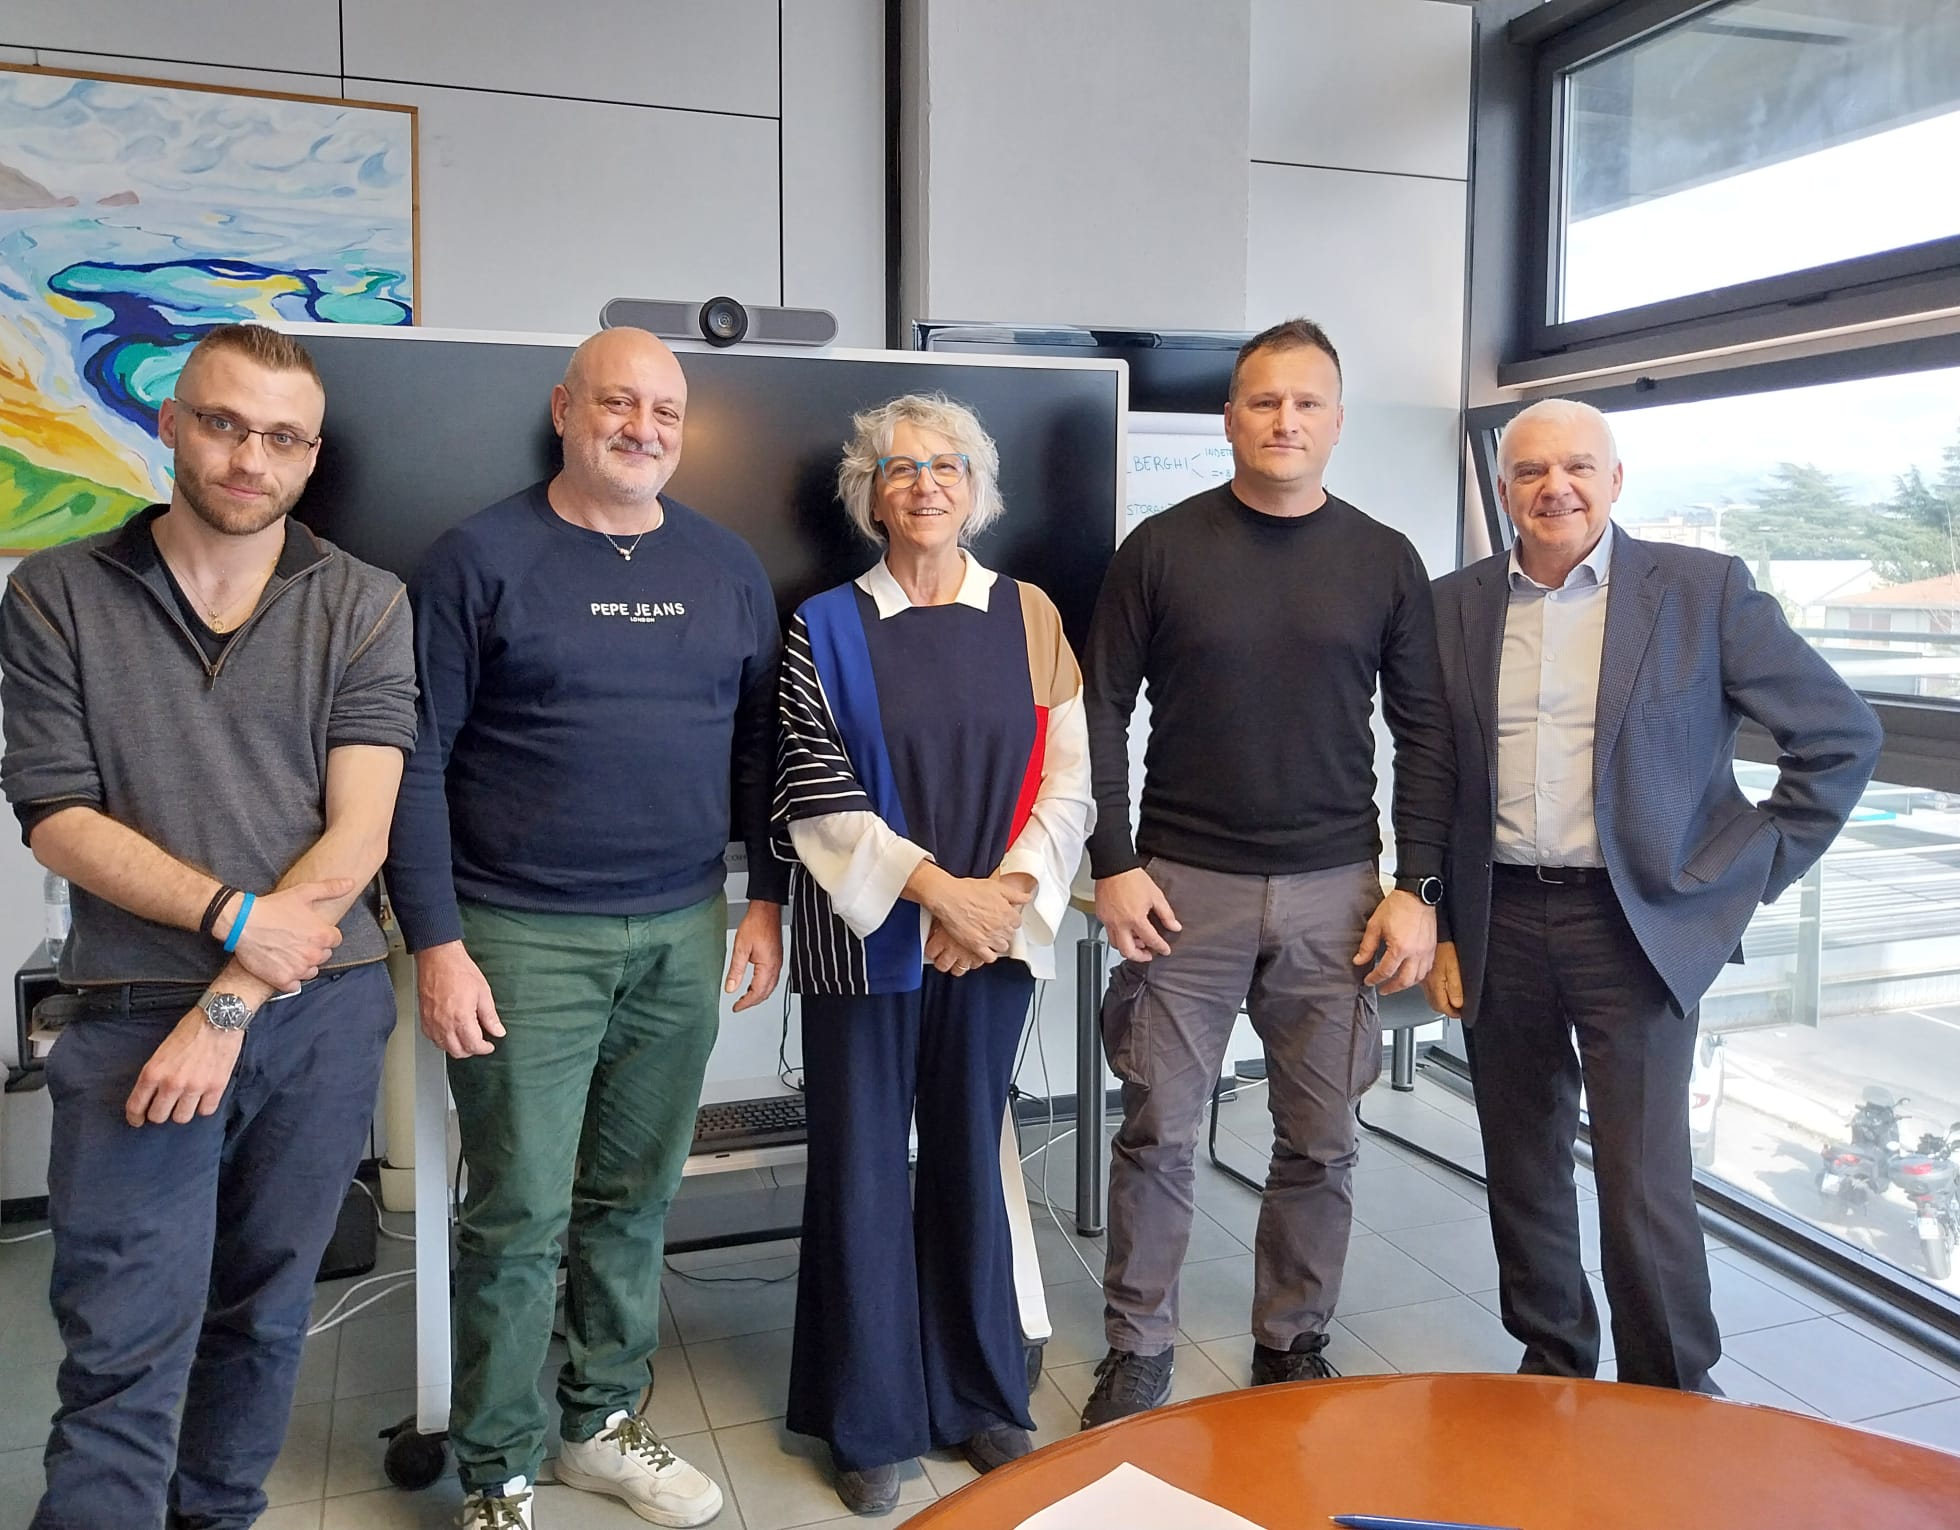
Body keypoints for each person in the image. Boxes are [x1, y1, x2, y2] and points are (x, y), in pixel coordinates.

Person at [0, 322, 418, 1529]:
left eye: (282, 438)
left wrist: (231, 999)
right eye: (225, 425)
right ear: (172, 423)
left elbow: (359, 834)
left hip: (317, 1013)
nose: (250, 458)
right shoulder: (58, 594)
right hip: (133, 1013)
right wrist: (233, 918)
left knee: (265, 1317)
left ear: (312, 456)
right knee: (123, 1345)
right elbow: (57, 819)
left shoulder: (365, 602)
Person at [385, 327, 784, 1530]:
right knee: (517, 1213)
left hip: (682, 924)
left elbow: (759, 749)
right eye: (617, 403)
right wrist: (437, 942)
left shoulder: (727, 566)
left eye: (665, 411)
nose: (641, 429)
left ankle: (598, 1425)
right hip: (518, 936)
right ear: (565, 409)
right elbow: (415, 760)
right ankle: (496, 1470)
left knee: (636, 1195)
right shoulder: (477, 561)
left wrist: (764, 898)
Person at [1423, 397, 1881, 1392]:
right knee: (1523, 1164)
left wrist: (1739, 877)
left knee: (1643, 1178)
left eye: (1579, 467)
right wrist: (1442, 918)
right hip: (1500, 916)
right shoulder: (1454, 603)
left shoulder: (1701, 591)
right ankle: (1553, 1362)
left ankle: (1671, 1388)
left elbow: (1840, 737)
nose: (1556, 487)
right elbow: (1435, 771)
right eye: (1531, 471)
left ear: (1616, 480)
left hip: (1634, 925)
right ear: (1503, 488)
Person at [1079, 319, 1457, 1427]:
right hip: (1180, 888)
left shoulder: (1385, 558)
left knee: (1323, 1140)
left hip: (1338, 894)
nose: (1284, 420)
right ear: (1229, 418)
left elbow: (1427, 734)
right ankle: (1139, 1346)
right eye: (1263, 401)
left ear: (1336, 422)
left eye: (1306, 402)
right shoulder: (1159, 549)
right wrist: (1113, 862)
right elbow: (1096, 709)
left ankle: (1291, 1342)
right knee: (1159, 1132)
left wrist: (1420, 890)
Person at [775, 394, 1093, 1515]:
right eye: (900, 468)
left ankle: (978, 1396)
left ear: (976, 488)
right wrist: (938, 899)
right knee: (859, 1166)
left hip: (988, 943)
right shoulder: (822, 625)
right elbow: (815, 791)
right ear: (869, 495)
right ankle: (865, 1421)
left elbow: (1070, 777)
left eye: (946, 466)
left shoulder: (1032, 615)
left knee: (969, 1154)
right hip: (866, 940)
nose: (924, 484)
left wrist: (1001, 902)